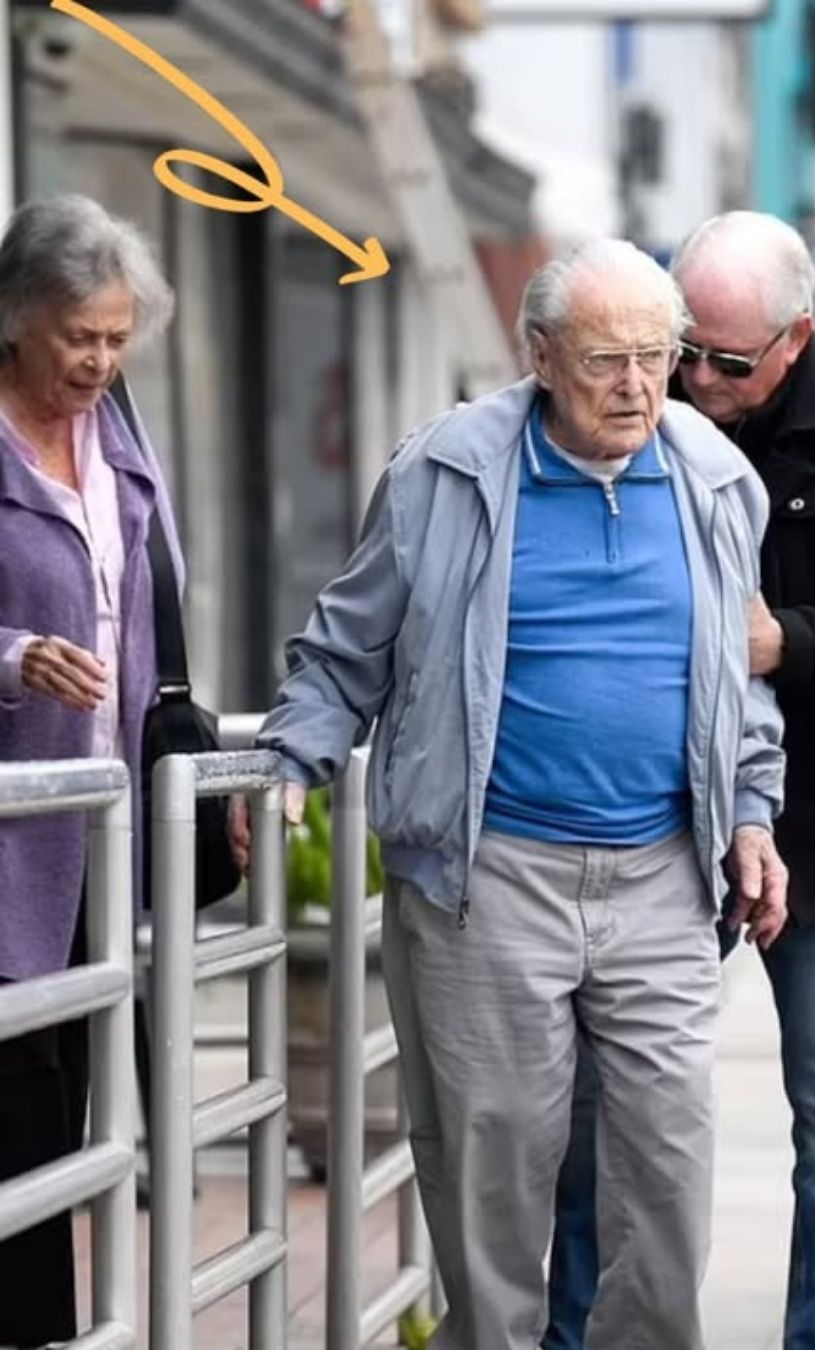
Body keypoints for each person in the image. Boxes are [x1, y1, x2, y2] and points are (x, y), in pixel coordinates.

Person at [235, 239, 788, 1350]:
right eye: (604, 360)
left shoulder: (719, 480)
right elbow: (346, 649)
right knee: (493, 1177)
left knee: (669, 1173)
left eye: (655, 356)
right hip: (489, 879)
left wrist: (748, 809)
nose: (636, 386)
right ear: (539, 355)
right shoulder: (444, 473)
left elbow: (737, 683)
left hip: (661, 879)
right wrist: (292, 758)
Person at [545, 212, 815, 1350]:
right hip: (663, 821)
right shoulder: (634, 403)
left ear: (794, 337)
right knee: (596, 1115)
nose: (695, 380)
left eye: (725, 360)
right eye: (683, 349)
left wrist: (778, 644)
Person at [0, 194, 177, 1348]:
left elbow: (155, 619)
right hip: (13, 844)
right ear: (17, 318)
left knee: (74, 1125)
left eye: (117, 339)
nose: (100, 362)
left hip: (101, 841)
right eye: (79, 337)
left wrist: (189, 765)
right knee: (21, 1128)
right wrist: (13, 658)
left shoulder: (118, 435)